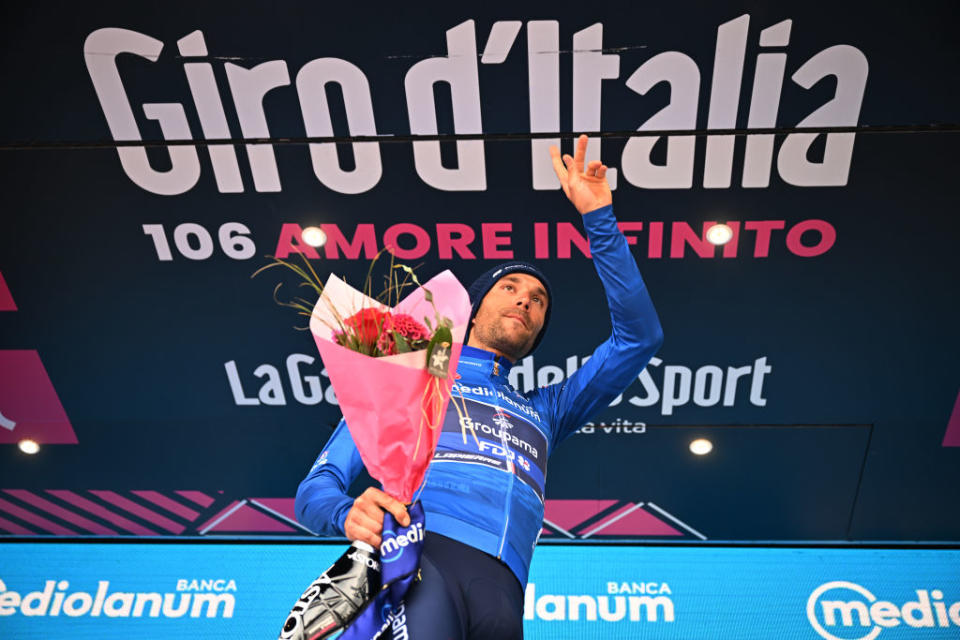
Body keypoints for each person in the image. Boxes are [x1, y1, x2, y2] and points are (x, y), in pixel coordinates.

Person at [295, 135, 663, 639]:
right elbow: (315, 489)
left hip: (506, 587)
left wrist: (599, 216)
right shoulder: (408, 378)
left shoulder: (546, 411)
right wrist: (347, 513)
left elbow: (639, 339)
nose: (525, 301)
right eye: (509, 287)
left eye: (538, 300)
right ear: (471, 308)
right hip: (424, 553)